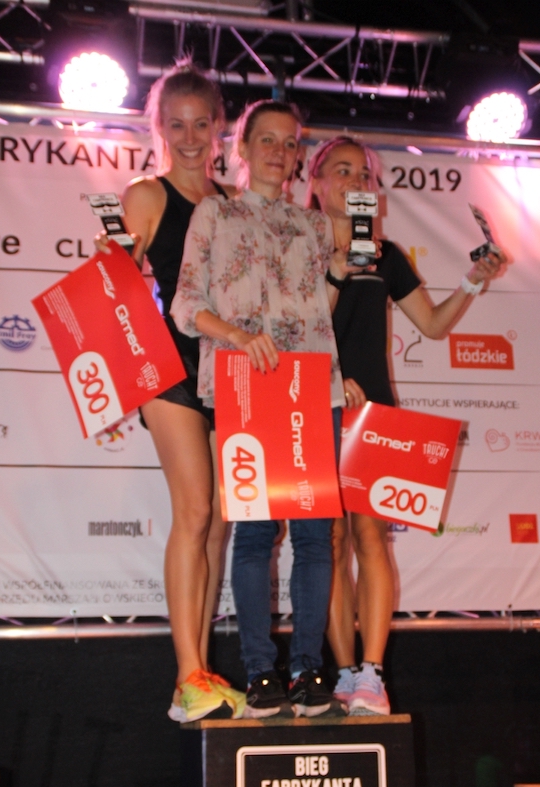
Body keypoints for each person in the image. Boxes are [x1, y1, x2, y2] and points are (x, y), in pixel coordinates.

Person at [171, 100, 357, 718]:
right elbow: (185, 304)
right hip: (245, 385)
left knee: (315, 535)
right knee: (253, 533)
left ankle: (307, 668)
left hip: (313, 388)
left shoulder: (314, 226)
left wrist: (340, 269)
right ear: (242, 148)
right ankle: (259, 671)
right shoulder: (215, 213)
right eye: (267, 140)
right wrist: (236, 336)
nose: (279, 152)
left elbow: (318, 308)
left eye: (289, 142)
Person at [308, 136, 506, 715]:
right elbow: (296, 326)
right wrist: (331, 374)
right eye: (341, 171)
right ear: (315, 183)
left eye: (364, 174)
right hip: (315, 406)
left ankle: (372, 675)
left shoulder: (385, 254)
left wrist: (474, 279)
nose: (355, 182)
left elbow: (435, 326)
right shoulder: (295, 247)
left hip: (375, 412)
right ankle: (344, 672)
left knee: (369, 538)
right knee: (329, 543)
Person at [96, 61, 245, 722]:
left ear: (219, 129)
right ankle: (187, 677)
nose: (189, 139)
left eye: (201, 125)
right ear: (158, 128)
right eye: (176, 125)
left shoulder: (236, 203)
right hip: (168, 371)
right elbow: (118, 286)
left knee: (219, 525)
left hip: (229, 373)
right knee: (194, 511)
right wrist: (112, 260)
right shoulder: (147, 195)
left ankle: (201, 671)